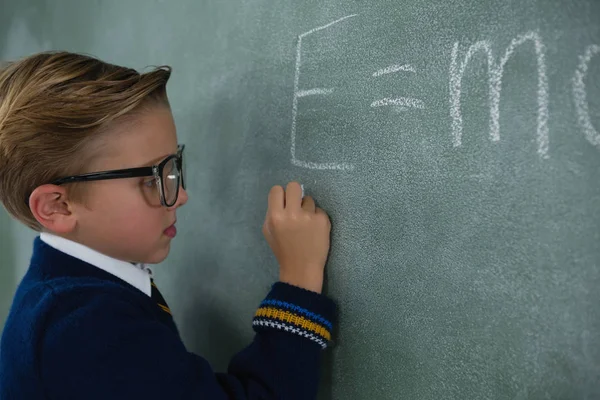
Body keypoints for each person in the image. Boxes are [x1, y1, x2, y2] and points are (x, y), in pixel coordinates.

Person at [0, 51, 336, 399]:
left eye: (173, 166)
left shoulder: (66, 297)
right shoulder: (84, 326)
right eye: (151, 179)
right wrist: (299, 279)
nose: (180, 196)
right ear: (58, 206)